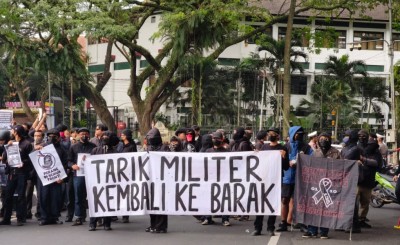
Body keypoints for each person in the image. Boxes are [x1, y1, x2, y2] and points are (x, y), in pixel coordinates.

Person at [252, 127, 289, 236]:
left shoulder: (282, 148)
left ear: (277, 136)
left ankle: (270, 228)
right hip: (263, 180)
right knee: (260, 204)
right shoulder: (264, 147)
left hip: (275, 181)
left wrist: (283, 157)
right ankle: (257, 228)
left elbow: (286, 167)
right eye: (269, 133)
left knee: (272, 204)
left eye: (273, 133)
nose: (270, 135)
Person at [302, 132, 340, 239]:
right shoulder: (315, 153)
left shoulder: (336, 153)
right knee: (314, 207)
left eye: (326, 138)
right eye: (322, 138)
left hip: (330, 184)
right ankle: (311, 230)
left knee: (326, 209)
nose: (324, 140)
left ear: (330, 140)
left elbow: (341, 167)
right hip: (316, 183)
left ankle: (324, 231)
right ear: (318, 140)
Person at [277, 126, 312, 232]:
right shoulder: (285, 147)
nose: (300, 136)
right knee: (285, 200)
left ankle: (300, 223)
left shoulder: (306, 147)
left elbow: (312, 159)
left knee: (300, 201)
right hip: (287, 178)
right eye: (297, 134)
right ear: (292, 134)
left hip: (301, 178)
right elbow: (279, 160)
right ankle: (283, 223)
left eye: (301, 134)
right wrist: (286, 162)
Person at [0, 125, 33, 226]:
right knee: (8, 196)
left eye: (13, 131)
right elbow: (4, 158)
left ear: (17, 132)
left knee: (21, 196)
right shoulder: (11, 143)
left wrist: (23, 162)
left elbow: (31, 159)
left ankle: (20, 218)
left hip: (22, 173)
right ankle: (6, 218)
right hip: (11, 173)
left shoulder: (27, 144)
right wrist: (7, 147)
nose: (11, 132)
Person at [89, 131, 120, 231]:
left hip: (110, 181)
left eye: (107, 137)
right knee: (96, 201)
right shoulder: (95, 150)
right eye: (104, 136)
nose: (105, 138)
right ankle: (92, 223)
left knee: (108, 202)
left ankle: (107, 223)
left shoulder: (115, 152)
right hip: (97, 181)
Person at [38, 128, 68, 225]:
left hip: (57, 178)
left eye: (54, 136)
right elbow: (34, 159)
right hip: (44, 177)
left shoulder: (62, 149)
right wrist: (36, 149)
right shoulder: (41, 147)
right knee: (43, 197)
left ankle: (55, 217)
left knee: (56, 198)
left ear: (59, 138)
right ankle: (44, 218)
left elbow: (65, 164)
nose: (52, 138)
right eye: (50, 136)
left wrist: (62, 178)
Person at [201, 131, 231, 226]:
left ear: (222, 139)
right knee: (208, 198)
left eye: (217, 138)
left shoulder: (226, 152)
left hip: (223, 179)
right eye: (214, 138)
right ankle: (207, 218)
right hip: (210, 178)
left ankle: (225, 219)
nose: (215, 140)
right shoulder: (208, 151)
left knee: (223, 198)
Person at [68, 128, 96, 225]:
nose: (84, 135)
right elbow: (69, 160)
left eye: (86, 134)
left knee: (93, 196)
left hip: (91, 175)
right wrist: (72, 165)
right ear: (78, 135)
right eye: (82, 134)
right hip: (78, 175)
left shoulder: (93, 147)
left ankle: (95, 217)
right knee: (78, 196)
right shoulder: (73, 147)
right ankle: (79, 216)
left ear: (89, 135)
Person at [145, 128, 168, 233]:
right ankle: (153, 224)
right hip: (150, 179)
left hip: (161, 180)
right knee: (151, 204)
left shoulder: (164, 148)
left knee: (161, 204)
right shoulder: (148, 148)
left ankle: (161, 226)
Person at [356, 131, 381, 229]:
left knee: (365, 203)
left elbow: (376, 163)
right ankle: (352, 220)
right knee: (353, 202)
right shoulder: (356, 148)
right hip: (357, 180)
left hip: (368, 180)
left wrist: (363, 159)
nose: (362, 138)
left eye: (364, 136)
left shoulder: (374, 149)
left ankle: (362, 219)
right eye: (360, 136)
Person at [340, 129, 362, 233]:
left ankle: (354, 224)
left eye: (347, 136)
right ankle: (344, 223)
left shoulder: (356, 149)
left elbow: (347, 158)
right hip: (344, 177)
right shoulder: (345, 148)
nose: (345, 137)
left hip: (353, 177)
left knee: (352, 202)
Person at [26, 130, 45, 220]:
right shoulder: (29, 145)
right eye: (35, 135)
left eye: (39, 135)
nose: (37, 137)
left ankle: (39, 212)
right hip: (30, 172)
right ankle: (27, 212)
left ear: (42, 136)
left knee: (40, 193)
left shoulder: (45, 145)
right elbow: (26, 157)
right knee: (28, 193)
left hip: (40, 173)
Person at [119, 129, 137, 223]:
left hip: (128, 173)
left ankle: (126, 215)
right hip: (121, 173)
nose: (121, 135)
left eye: (123, 134)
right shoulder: (121, 146)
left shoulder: (132, 146)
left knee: (126, 194)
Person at [0, 130, 11, 218]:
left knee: (6, 194)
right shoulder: (1, 147)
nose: (0, 141)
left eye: (2, 140)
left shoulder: (10, 146)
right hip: (2, 175)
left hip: (7, 173)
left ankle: (5, 212)